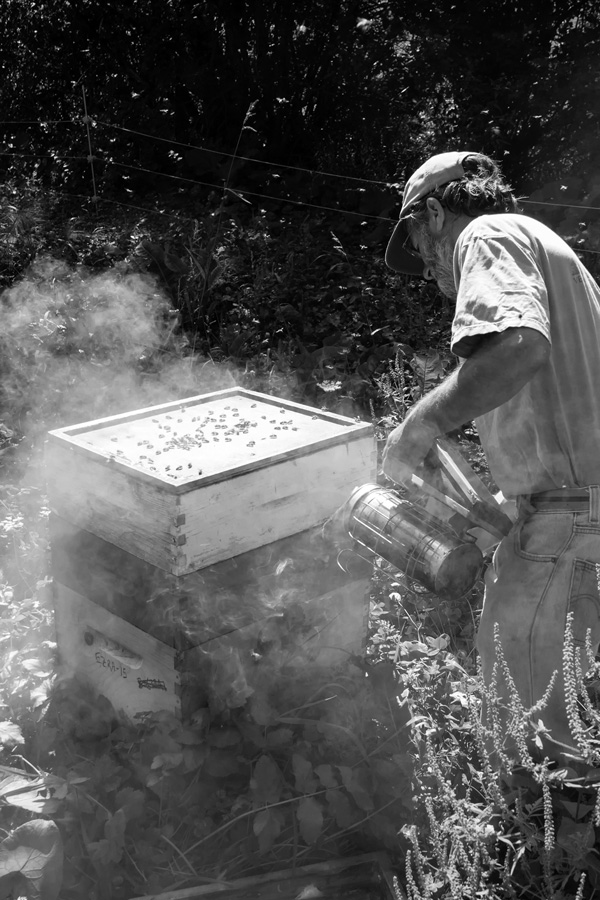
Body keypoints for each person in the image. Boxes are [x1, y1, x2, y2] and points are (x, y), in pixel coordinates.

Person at [382, 150, 600, 771]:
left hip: (571, 533)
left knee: (534, 745)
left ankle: (550, 861)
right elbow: (564, 438)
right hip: (578, 520)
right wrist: (492, 518)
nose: (426, 269)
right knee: (577, 724)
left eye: (418, 244)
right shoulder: (553, 256)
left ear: (432, 213)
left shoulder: (488, 232)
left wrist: (419, 422)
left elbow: (517, 350)